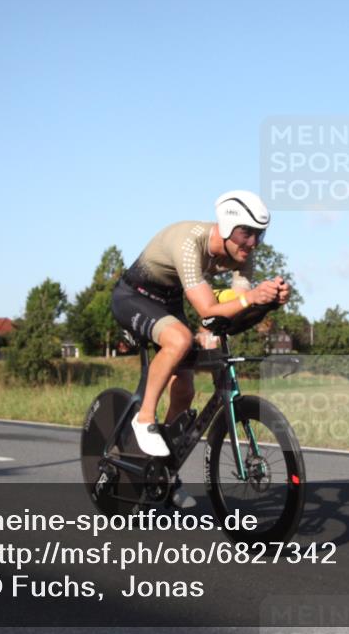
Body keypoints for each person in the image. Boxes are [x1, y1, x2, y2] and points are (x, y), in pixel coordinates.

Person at [111, 190, 291, 464]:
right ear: (229, 226)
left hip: (169, 303)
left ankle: (162, 471)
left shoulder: (242, 256)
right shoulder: (189, 243)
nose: (253, 242)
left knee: (185, 389)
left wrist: (268, 302)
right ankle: (144, 418)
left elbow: (233, 309)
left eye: (260, 234)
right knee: (180, 339)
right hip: (134, 296)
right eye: (247, 233)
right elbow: (207, 309)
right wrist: (252, 296)